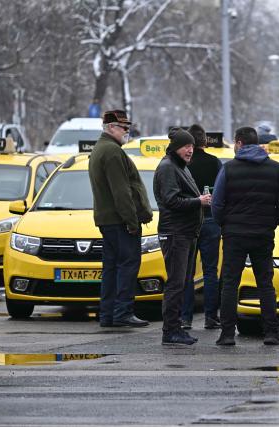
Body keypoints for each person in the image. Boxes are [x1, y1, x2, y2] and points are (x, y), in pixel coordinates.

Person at [211, 126, 279, 346]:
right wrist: (270, 223)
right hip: (263, 234)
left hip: (234, 234)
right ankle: (272, 333)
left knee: (229, 283)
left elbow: (216, 204)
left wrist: (225, 224)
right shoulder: (275, 169)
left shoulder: (229, 169)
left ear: (238, 143)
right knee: (265, 283)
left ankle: (227, 334)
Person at [89, 110, 152, 328]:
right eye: (124, 128)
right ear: (111, 128)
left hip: (108, 220)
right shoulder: (112, 152)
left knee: (111, 268)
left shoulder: (101, 148)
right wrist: (132, 221)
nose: (127, 131)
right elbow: (121, 191)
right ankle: (122, 312)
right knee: (127, 265)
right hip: (119, 221)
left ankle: (108, 314)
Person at [153, 128, 210, 345]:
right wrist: (199, 202)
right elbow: (171, 201)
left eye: (192, 147)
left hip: (186, 232)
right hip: (175, 233)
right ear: (176, 147)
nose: (190, 150)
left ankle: (175, 328)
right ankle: (170, 331)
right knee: (175, 283)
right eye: (187, 146)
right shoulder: (168, 167)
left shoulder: (179, 166)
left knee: (182, 282)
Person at [180, 124, 223, 330]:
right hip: (210, 220)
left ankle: (185, 318)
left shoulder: (182, 163)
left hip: (188, 221)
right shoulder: (214, 162)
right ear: (205, 141)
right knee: (210, 271)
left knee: (187, 272)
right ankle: (211, 317)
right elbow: (222, 191)